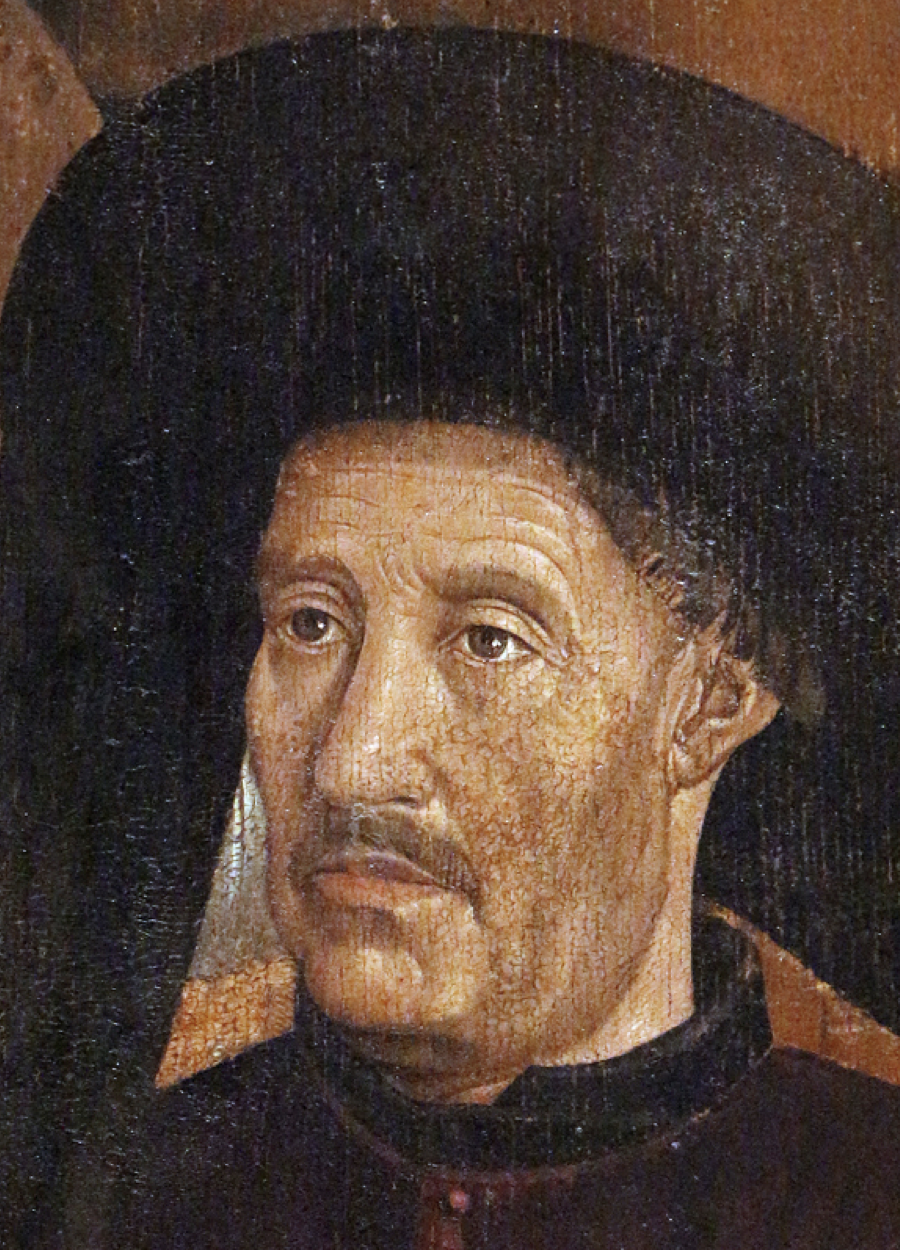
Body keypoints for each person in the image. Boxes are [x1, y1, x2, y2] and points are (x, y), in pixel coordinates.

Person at [2, 25, 900, 1249]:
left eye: (488, 638)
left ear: (710, 698)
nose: (355, 758)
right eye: (311, 622)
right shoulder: (125, 1203)